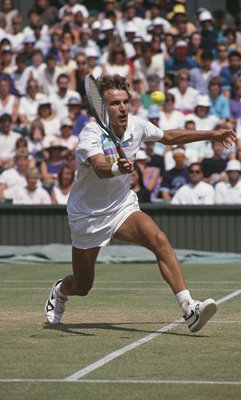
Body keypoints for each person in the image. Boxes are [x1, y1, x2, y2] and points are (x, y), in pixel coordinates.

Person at [44, 74, 236, 332]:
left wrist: (212, 134)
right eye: (114, 104)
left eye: (125, 102)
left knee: (158, 238)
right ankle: (60, 291)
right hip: (87, 216)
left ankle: (189, 307)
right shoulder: (91, 132)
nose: (122, 108)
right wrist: (115, 168)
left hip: (122, 206)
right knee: (83, 286)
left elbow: (168, 137)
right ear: (102, 107)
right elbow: (100, 167)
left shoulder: (136, 125)